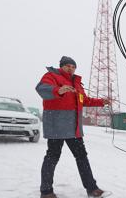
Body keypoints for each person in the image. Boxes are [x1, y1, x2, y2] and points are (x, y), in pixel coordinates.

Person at [36, 56, 111, 198]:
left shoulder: (77, 83)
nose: (70, 68)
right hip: (56, 126)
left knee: (82, 157)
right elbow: (42, 89)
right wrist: (58, 90)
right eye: (67, 66)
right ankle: (46, 191)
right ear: (61, 66)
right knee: (52, 156)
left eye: (73, 66)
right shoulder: (52, 76)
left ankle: (92, 188)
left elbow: (85, 100)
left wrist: (102, 102)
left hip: (74, 127)